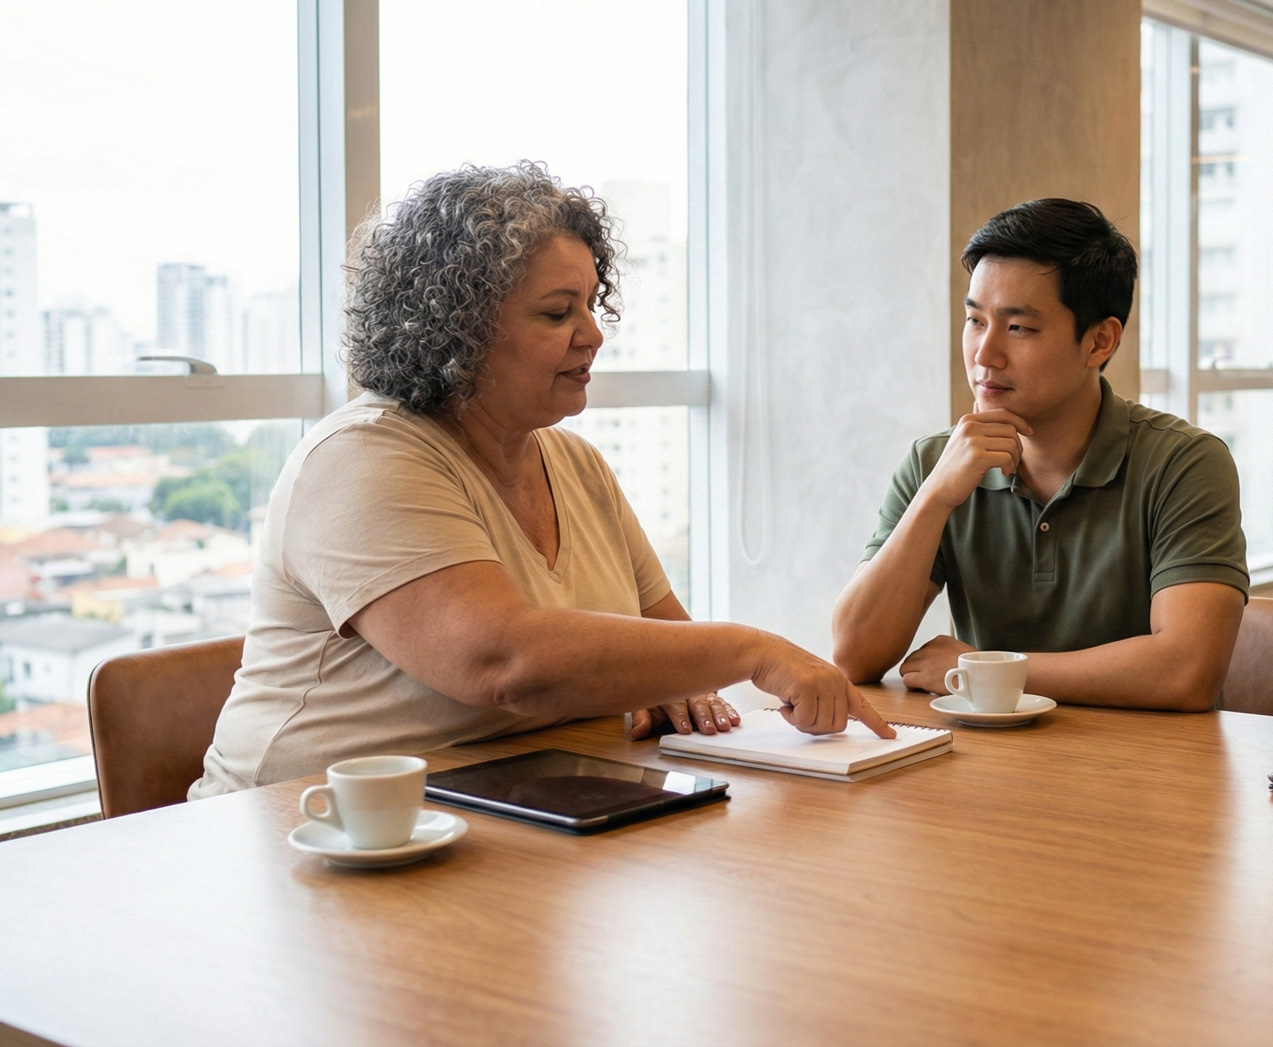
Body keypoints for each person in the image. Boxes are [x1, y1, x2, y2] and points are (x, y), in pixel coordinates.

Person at [190, 163, 890, 798]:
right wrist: (754, 649)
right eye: (559, 312)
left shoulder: (576, 465)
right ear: (455, 329)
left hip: (501, 816)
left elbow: (666, 647)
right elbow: (503, 661)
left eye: (591, 304)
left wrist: (673, 679)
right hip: (293, 836)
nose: (593, 334)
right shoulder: (361, 458)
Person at [831, 199, 1248, 712]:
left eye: (1018, 328)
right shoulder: (935, 463)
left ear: (1099, 341)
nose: (984, 355)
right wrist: (934, 498)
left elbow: (1187, 671)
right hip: (987, 768)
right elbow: (853, 655)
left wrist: (983, 669)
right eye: (975, 320)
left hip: (1145, 773)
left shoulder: (1185, 463)